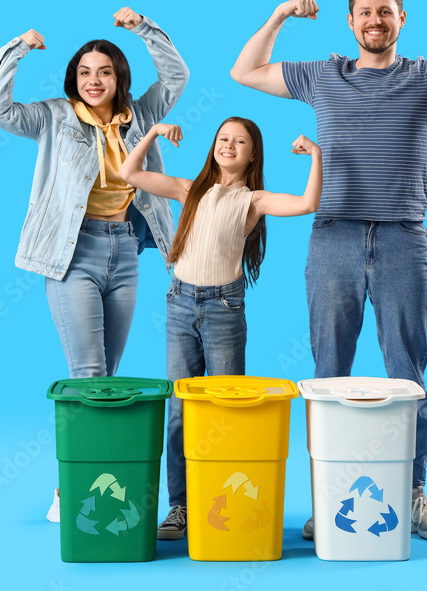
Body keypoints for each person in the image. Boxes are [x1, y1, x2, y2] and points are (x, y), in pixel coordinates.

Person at [230, 0, 427, 541]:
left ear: (401, 20)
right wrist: (279, 15)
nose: (375, 20)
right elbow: (245, 72)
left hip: (401, 239)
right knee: (327, 374)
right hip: (333, 236)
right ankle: (327, 498)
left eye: (385, 12)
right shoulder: (323, 74)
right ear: (350, 22)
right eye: (365, 12)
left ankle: (412, 495)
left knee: (407, 374)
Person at [0, 7, 189, 521]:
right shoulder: (53, 115)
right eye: (84, 73)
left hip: (125, 250)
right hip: (72, 254)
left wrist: (144, 29)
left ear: (120, 77)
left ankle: (96, 474)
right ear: (73, 79)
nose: (94, 81)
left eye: (105, 72)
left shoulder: (141, 115)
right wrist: (18, 48)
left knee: (110, 379)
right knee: (87, 373)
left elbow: (178, 75)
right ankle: (68, 487)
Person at [118, 116, 322, 539]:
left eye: (239, 141)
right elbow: (129, 173)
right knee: (178, 409)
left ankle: (221, 500)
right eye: (223, 138)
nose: (228, 145)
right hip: (179, 304)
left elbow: (306, 204)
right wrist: (153, 133)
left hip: (223, 309)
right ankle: (181, 507)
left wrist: (315, 156)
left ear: (252, 154)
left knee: (225, 411)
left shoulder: (254, 200)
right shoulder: (189, 189)